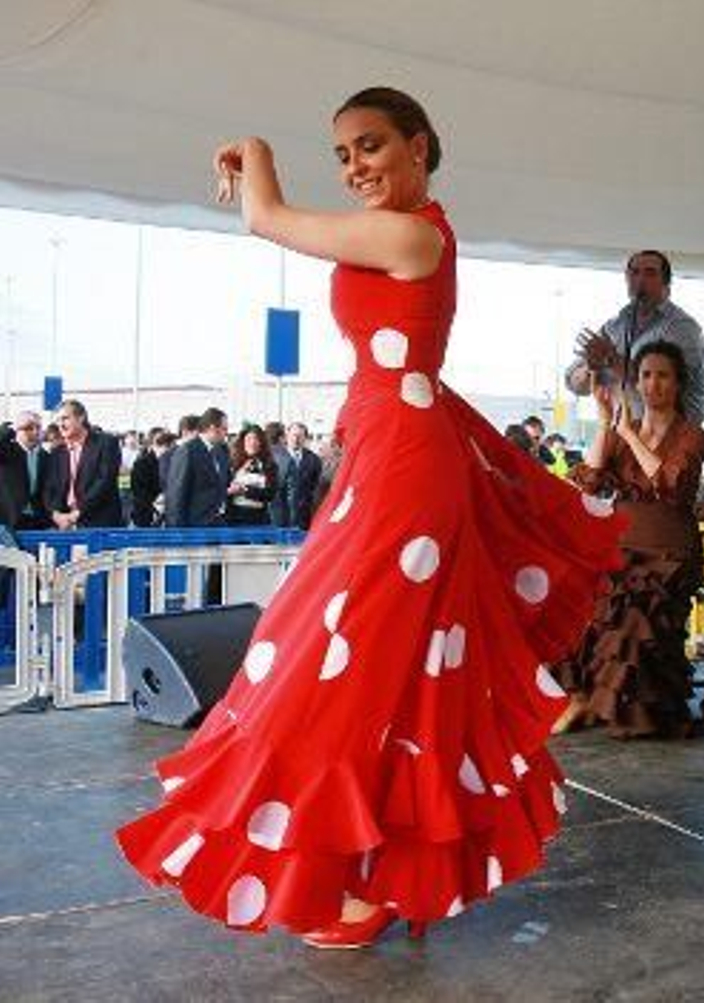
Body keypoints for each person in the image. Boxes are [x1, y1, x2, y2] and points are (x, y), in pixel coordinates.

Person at [116, 86, 624, 948]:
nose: (355, 166)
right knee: (378, 672)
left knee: (342, 665)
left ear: (421, 147)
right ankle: (371, 873)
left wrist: (253, 146)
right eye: (344, 153)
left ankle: (361, 877)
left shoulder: (414, 232)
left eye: (371, 146)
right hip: (390, 459)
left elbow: (266, 217)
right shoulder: (408, 233)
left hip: (406, 472)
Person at [555, 341, 704, 739]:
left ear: (678, 383)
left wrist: (629, 433)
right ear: (636, 382)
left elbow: (667, 484)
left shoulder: (692, 435)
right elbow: (588, 480)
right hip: (620, 546)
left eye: (662, 375)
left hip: (670, 553)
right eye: (645, 375)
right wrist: (606, 423)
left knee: (637, 606)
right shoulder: (623, 434)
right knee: (572, 592)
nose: (652, 384)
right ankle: (581, 697)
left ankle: (605, 705)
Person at [564, 250, 704, 424]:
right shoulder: (614, 326)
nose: (640, 280)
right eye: (634, 273)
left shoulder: (682, 328)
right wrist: (591, 368)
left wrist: (610, 359)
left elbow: (663, 388)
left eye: (650, 273)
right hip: (619, 435)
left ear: (666, 284)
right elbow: (574, 384)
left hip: (670, 439)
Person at [43, 400, 124, 530]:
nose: (60, 425)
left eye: (65, 418)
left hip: (99, 524)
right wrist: (55, 515)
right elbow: (49, 487)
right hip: (64, 525)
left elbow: (104, 482)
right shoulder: (57, 452)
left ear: (81, 418)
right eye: (58, 420)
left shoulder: (106, 443)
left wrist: (77, 513)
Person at [164, 408, 232, 529]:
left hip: (218, 524)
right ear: (212, 428)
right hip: (194, 527)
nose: (226, 433)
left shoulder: (221, 452)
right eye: (224, 429)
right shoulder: (187, 451)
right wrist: (177, 534)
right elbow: (176, 495)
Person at [269, 422, 322, 531]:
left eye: (300, 436)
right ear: (286, 436)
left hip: (303, 516)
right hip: (278, 515)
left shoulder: (314, 460)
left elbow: (315, 488)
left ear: (305, 438)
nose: (296, 439)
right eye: (293, 435)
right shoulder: (273, 457)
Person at [0, 412, 48, 530]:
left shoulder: (46, 457)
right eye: (28, 428)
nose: (35, 432)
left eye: (38, 427)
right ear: (17, 431)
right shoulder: (7, 451)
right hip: (9, 522)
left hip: (38, 521)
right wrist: (9, 429)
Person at [224, 425, 278, 526]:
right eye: (249, 439)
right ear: (243, 442)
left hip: (260, 519)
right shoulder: (231, 463)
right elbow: (223, 488)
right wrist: (229, 491)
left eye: (256, 439)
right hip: (234, 518)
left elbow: (270, 493)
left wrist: (245, 491)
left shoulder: (269, 465)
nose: (252, 443)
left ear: (261, 442)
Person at [128, 427, 166, 528]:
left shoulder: (172, 461)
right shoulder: (141, 463)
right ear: (151, 443)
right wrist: (156, 504)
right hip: (146, 517)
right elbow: (138, 493)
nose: (164, 446)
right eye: (160, 442)